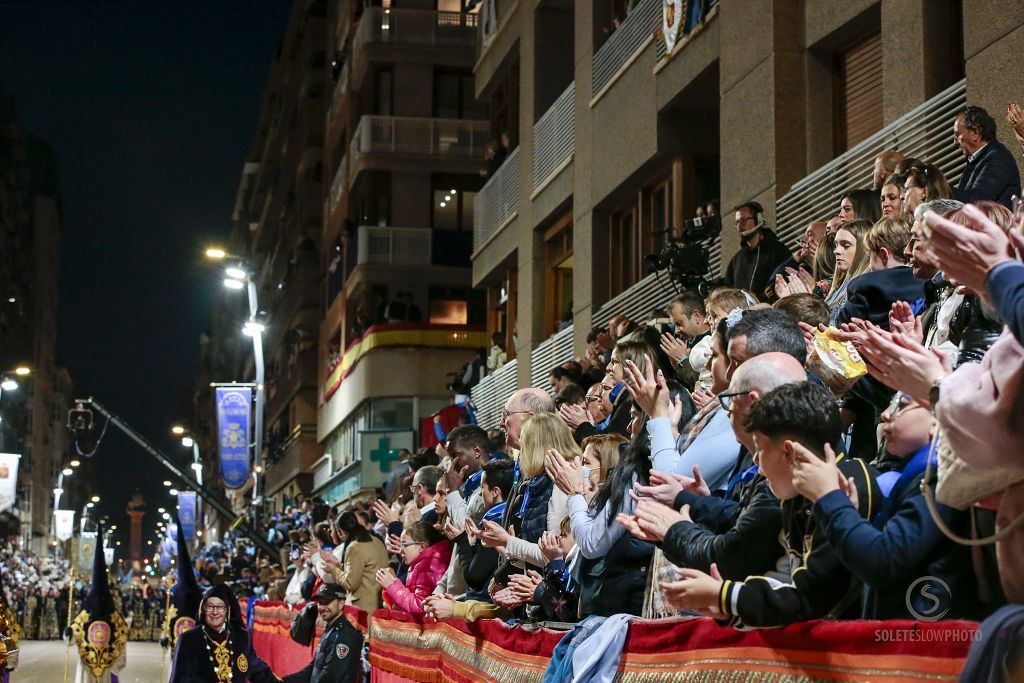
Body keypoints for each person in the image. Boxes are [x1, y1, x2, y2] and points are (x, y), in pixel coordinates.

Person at [656, 381, 880, 628]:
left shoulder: (844, 488)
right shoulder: (797, 489)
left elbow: (813, 603)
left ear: (788, 452)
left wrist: (724, 595)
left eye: (760, 450)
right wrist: (729, 606)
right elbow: (786, 579)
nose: (755, 461)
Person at [169, 584, 276, 682]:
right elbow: (178, 679)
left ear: (227, 611)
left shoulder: (241, 637)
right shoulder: (188, 639)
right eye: (210, 606)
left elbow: (258, 671)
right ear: (203, 609)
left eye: (220, 607)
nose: (215, 612)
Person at [836, 216, 925, 329]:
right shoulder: (926, 282)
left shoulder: (865, 285)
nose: (869, 266)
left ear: (884, 255)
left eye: (870, 257)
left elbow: (843, 324)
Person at [72, 526, 128, 683]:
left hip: (107, 666)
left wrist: (116, 664)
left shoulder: (112, 614)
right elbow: (73, 634)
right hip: (86, 664)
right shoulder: (87, 610)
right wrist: (67, 633)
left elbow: (121, 637)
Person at [281, 584, 362, 682]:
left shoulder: (345, 635)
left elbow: (330, 676)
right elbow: (312, 670)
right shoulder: (330, 630)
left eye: (327, 602)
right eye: (320, 603)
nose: (322, 607)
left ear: (341, 604)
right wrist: (282, 681)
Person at [953, 106, 1022, 208]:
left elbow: (977, 203)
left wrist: (939, 188)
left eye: (958, 135)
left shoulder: (998, 158)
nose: (954, 143)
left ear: (975, 132)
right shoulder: (975, 162)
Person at [377, 522, 451, 615]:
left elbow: (421, 606)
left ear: (422, 546)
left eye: (404, 545)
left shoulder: (430, 565)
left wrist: (391, 585)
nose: (401, 550)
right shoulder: (420, 564)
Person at [322, 512, 390, 611]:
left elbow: (350, 583)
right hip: (380, 602)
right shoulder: (376, 540)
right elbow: (364, 571)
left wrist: (333, 570)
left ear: (340, 532)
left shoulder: (354, 547)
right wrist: (339, 568)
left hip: (364, 609)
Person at [723, 202, 792, 298]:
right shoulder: (736, 261)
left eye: (743, 220)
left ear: (758, 219)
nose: (739, 226)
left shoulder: (778, 251)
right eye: (737, 222)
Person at [825, 219, 872, 323]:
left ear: (864, 250)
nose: (836, 251)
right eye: (836, 245)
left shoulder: (866, 289)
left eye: (845, 246)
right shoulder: (837, 287)